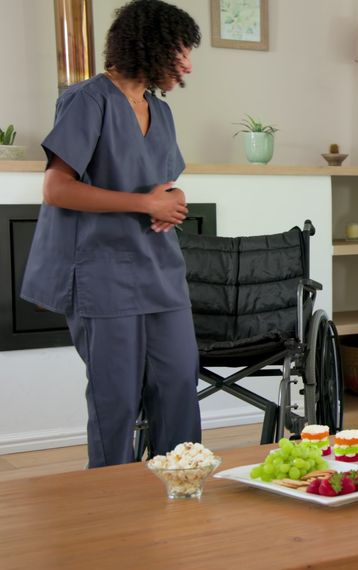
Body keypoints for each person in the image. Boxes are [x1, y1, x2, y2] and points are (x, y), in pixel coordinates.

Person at [20, 0, 202, 468]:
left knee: (180, 382)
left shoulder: (160, 113)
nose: (187, 64)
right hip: (102, 274)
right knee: (115, 399)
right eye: (181, 50)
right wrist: (145, 203)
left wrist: (172, 199)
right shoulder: (88, 100)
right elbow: (56, 188)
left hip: (159, 269)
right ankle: (111, 504)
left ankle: (181, 483)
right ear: (153, 45)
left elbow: (159, 180)